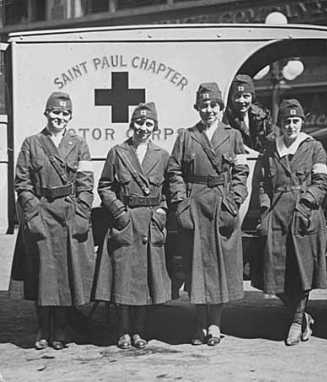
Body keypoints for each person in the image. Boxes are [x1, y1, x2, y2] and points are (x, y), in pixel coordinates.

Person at [10, 91, 95, 350]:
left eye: (64, 113)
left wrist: (82, 213)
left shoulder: (79, 144)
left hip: (69, 214)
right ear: (46, 113)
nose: (59, 117)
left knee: (67, 274)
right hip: (43, 213)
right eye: (55, 112)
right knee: (43, 275)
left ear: (70, 117)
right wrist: (32, 214)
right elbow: (22, 183)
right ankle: (42, 328)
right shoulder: (32, 143)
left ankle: (60, 328)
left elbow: (86, 183)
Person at [167, 82, 249, 346]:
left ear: (220, 107)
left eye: (213, 105)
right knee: (196, 268)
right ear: (197, 107)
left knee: (220, 268)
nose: (209, 110)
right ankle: (199, 323)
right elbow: (174, 172)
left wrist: (234, 202)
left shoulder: (233, 135)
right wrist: (181, 204)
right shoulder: (187, 136)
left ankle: (215, 324)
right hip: (195, 207)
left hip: (222, 206)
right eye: (204, 105)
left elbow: (241, 173)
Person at [93, 102, 171, 349]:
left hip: (150, 224)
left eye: (149, 124)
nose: (143, 128)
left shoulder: (162, 156)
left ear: (155, 127)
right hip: (125, 223)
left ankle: (139, 330)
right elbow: (105, 186)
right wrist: (119, 213)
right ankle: (124, 330)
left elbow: (170, 190)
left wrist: (160, 213)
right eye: (139, 122)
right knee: (123, 278)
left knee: (145, 280)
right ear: (131, 125)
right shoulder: (118, 153)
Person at [252, 98, 327, 346]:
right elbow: (262, 183)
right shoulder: (270, 149)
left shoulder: (314, 147)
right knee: (275, 270)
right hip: (277, 214)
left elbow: (321, 183)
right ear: (280, 124)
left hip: (304, 215)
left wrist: (306, 205)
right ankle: (303, 317)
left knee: (302, 270)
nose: (291, 127)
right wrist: (265, 210)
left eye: (296, 121)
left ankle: (296, 322)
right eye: (287, 122)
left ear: (301, 123)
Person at [223, 74, 273, 153]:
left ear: (252, 97)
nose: (241, 101)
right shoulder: (226, 118)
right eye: (237, 96)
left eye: (246, 96)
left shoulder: (262, 116)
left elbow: (270, 139)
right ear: (231, 98)